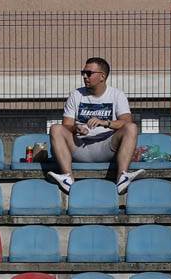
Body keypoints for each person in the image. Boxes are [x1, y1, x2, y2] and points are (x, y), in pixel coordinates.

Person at [47, 57, 145, 195]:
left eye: (89, 73)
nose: (85, 76)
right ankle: (68, 178)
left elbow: (126, 122)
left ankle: (122, 177)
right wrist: (76, 128)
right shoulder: (76, 95)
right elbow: (67, 125)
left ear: (102, 76)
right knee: (55, 128)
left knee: (132, 128)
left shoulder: (117, 95)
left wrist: (106, 123)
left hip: (106, 148)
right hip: (79, 147)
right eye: (83, 73)